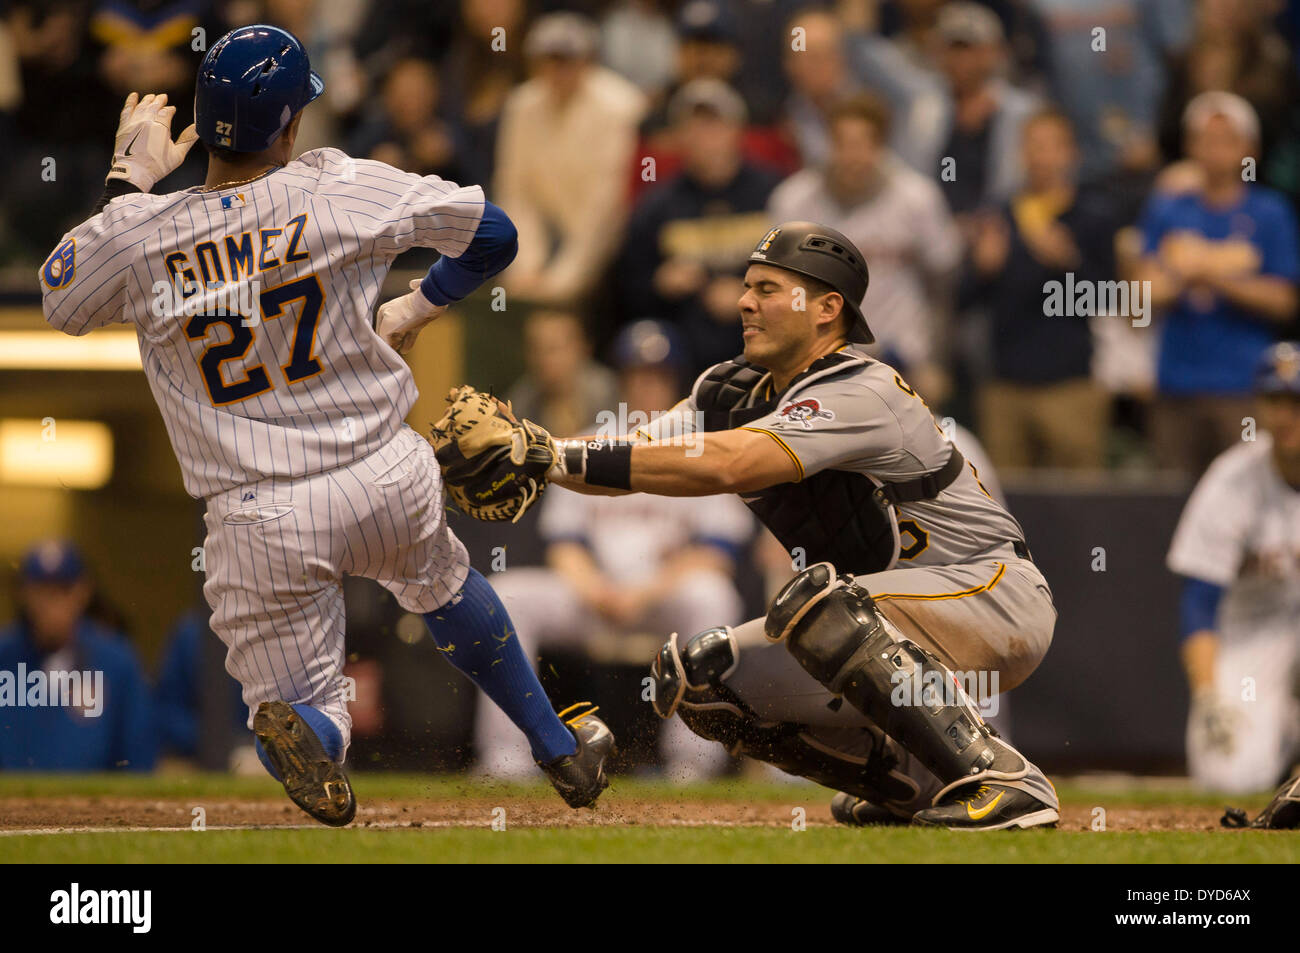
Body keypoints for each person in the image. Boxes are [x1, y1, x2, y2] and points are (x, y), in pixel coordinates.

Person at [37, 24, 613, 825]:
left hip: (258, 508)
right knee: (444, 583)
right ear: (289, 124)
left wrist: (129, 180)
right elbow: (496, 236)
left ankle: (315, 734)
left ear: (201, 119)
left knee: (306, 705)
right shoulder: (335, 184)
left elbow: (59, 300)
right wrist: (416, 306)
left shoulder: (142, 232)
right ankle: (558, 744)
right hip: (382, 469)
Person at [444, 221, 1061, 830]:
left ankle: (1008, 782)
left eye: (767, 289)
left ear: (826, 307)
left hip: (991, 594)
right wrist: (536, 450)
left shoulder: (863, 388)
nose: (744, 301)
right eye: (746, 286)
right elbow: (632, 458)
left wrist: (550, 454)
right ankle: (911, 784)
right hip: (891, 615)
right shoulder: (730, 390)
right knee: (700, 681)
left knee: (822, 610)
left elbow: (734, 461)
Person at [476, 320, 753, 779]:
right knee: (506, 595)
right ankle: (503, 760)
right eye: (638, 373)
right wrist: (596, 589)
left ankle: (694, 763)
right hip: (594, 597)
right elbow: (564, 545)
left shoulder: (703, 447)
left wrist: (642, 594)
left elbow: (715, 553)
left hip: (664, 599)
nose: (647, 384)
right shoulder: (592, 441)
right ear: (622, 379)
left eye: (658, 375)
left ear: (676, 381)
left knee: (712, 595)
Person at [1136, 92, 1300, 475]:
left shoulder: (1269, 212)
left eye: (1228, 141)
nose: (1216, 151)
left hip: (1242, 385)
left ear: (1250, 150)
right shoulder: (1168, 207)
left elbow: (1283, 301)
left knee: (1249, 487)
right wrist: (1221, 266)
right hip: (1175, 384)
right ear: (1190, 146)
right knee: (1168, 500)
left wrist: (1203, 269)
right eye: (1206, 140)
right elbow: (1139, 297)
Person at [1167, 342, 1300, 794]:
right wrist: (1207, 694)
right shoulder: (1233, 479)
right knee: (1229, 777)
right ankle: (1281, 739)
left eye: (1296, 400)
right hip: (1252, 636)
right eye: (1275, 400)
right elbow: (1200, 603)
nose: (1286, 414)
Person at [768, 92, 961, 402]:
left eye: (862, 144)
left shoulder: (917, 197)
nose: (852, 155)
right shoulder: (794, 200)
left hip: (905, 360)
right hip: (819, 362)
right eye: (843, 143)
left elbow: (943, 287)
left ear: (881, 145)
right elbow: (777, 288)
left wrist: (936, 363)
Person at [965, 108, 1116, 469]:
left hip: (1071, 386)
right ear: (1021, 153)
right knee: (1005, 506)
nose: (1042, 157)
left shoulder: (1093, 215)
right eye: (1034, 146)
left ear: (1072, 154)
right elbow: (962, 301)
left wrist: (1070, 264)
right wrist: (983, 269)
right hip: (1004, 387)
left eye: (1053, 147)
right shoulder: (998, 214)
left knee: (1077, 506)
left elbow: (1110, 300)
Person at [614, 78, 781, 374]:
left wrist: (752, 294)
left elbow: (801, 283)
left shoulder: (774, 195)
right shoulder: (657, 206)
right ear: (679, 136)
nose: (705, 137)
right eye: (694, 127)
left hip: (766, 352)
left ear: (736, 131)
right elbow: (626, 289)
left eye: (714, 125)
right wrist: (659, 284)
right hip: (681, 360)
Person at [0, 540, 156, 772]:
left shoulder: (116, 660)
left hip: (97, 806)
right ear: (24, 593)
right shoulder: (5, 656)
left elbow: (138, 755)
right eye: (42, 590)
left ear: (83, 591)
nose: (52, 602)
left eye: (63, 589)